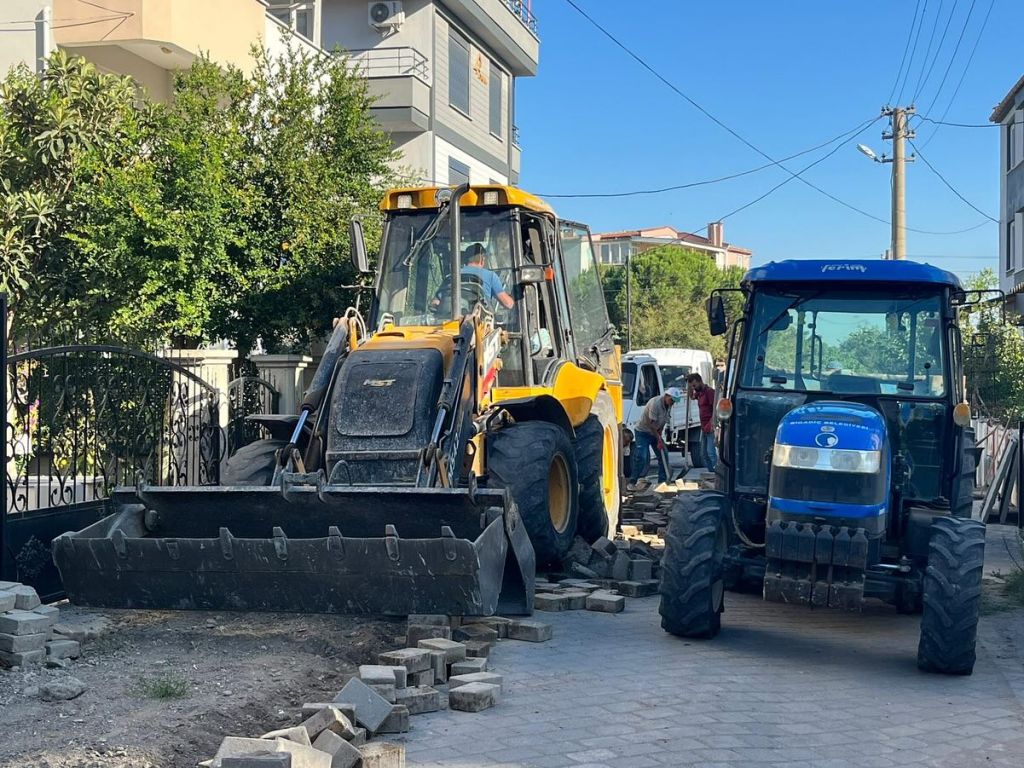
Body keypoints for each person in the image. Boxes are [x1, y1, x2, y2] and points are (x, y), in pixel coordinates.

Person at [627, 387, 683, 491]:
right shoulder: (655, 403)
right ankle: (632, 481)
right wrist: (658, 439)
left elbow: (662, 422)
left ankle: (661, 483)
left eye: (674, 402)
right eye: (672, 400)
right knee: (642, 457)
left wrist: (659, 437)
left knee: (663, 455)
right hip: (643, 432)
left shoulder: (668, 405)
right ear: (666, 396)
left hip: (655, 432)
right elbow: (651, 424)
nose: (672, 403)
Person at [459, 243, 514, 309]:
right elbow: (508, 304)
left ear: (465, 260)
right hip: (480, 318)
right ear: (482, 260)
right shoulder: (490, 276)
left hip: (451, 317)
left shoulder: (451, 276)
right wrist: (513, 297)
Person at [687, 373, 717, 472]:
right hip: (703, 426)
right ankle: (711, 472)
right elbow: (691, 397)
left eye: (694, 385)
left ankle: (716, 473)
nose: (694, 388)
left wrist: (711, 423)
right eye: (692, 386)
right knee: (703, 453)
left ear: (700, 381)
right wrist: (690, 388)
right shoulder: (699, 393)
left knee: (710, 452)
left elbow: (715, 409)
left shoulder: (709, 392)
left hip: (710, 425)